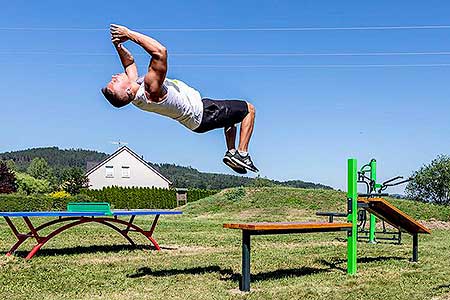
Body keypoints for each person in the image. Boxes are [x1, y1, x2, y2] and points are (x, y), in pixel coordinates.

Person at [101, 24, 258, 174]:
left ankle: (231, 152)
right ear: (127, 90)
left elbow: (129, 63)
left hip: (198, 117)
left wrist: (118, 46)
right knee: (248, 109)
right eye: (115, 81)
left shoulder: (135, 93)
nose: (114, 76)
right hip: (202, 113)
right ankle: (242, 153)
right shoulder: (150, 90)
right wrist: (128, 34)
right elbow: (160, 52)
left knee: (232, 117)